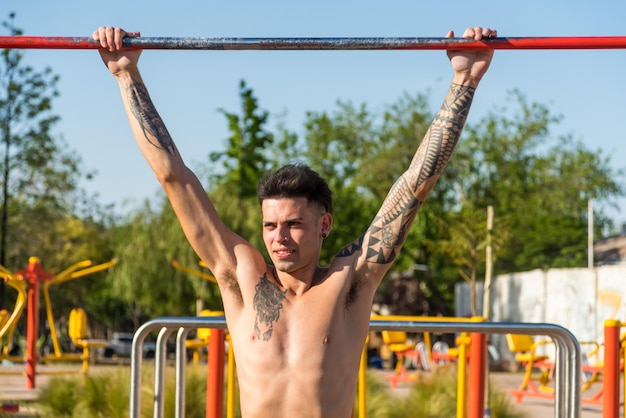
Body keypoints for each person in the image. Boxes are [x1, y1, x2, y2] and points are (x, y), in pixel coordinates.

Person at [93, 25, 496, 418]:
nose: (279, 237)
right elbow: (174, 178)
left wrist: (464, 81)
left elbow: (414, 186)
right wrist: (126, 74)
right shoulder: (242, 277)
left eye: (293, 224)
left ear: (324, 225)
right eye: (270, 226)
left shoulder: (348, 281)